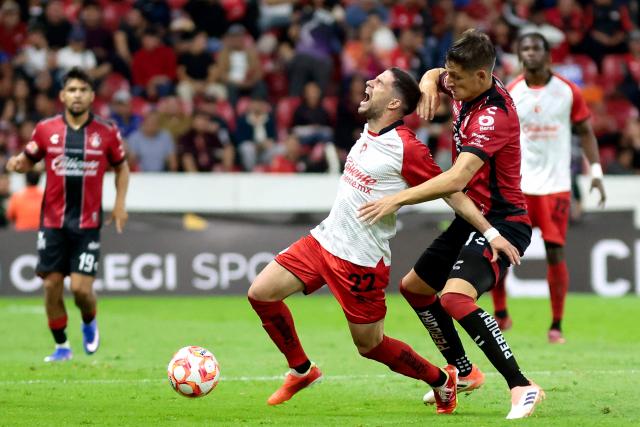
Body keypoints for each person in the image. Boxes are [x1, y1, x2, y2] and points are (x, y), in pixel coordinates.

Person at [247, 67, 521, 414]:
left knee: (370, 345)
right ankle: (302, 370)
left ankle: (441, 379)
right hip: (323, 240)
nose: (368, 83)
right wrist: (426, 80)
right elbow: (433, 76)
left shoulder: (407, 148)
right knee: (261, 294)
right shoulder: (369, 130)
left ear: (393, 101)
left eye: (377, 83)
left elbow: (452, 191)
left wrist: (491, 232)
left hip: (359, 261)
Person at [357, 30, 544, 419]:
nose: (450, 84)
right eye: (450, 76)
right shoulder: (462, 83)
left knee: (455, 299)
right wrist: (428, 83)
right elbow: (435, 73)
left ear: (481, 77)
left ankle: (522, 385)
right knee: (415, 288)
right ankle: (464, 371)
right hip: (470, 217)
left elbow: (456, 179)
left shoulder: (494, 116)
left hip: (503, 221)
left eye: (457, 78)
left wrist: (397, 198)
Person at [6, 67, 130, 362]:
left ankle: (89, 321)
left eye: (83, 90)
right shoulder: (46, 129)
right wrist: (18, 163)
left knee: (80, 290)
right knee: (51, 285)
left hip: (87, 224)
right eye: (72, 90)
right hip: (52, 222)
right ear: (62, 96)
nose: (77, 95)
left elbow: (121, 167)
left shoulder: (107, 131)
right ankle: (62, 346)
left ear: (91, 96)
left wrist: (120, 203)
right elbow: (29, 157)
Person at [491, 33, 606, 343]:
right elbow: (499, 138)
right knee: (501, 250)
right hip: (518, 187)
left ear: (547, 55)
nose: (530, 53)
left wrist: (595, 171)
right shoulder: (510, 92)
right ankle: (501, 314)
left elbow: (586, 132)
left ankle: (556, 325)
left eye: (535, 48)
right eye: (524, 48)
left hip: (556, 186)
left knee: (555, 252)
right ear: (518, 55)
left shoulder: (568, 91)